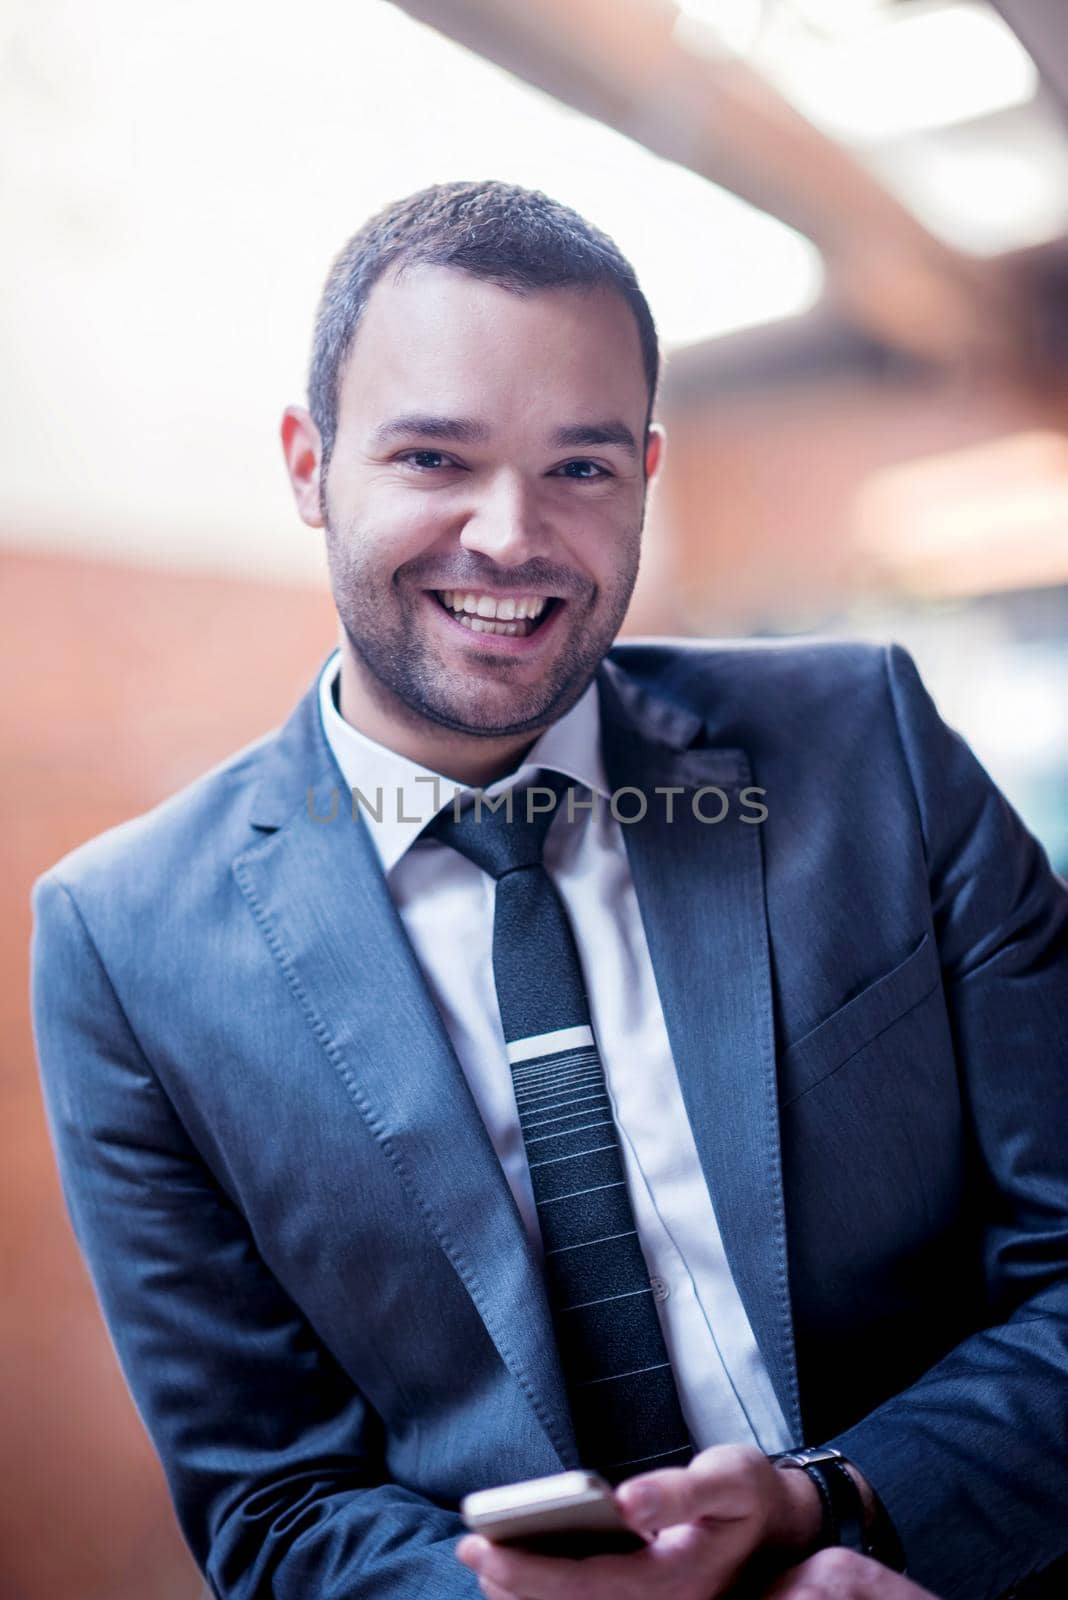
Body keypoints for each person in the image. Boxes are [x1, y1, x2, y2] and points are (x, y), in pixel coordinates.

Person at [29, 181, 1068, 1600]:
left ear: (645, 474)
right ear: (307, 465)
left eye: (579, 469)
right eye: (434, 459)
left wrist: (847, 1505)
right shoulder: (123, 942)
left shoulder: (867, 746)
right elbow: (271, 1501)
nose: (510, 536)